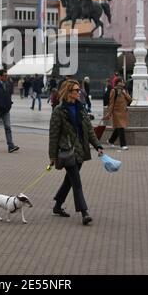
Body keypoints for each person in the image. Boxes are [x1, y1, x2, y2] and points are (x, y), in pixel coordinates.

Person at [49, 79, 104, 225]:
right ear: (68, 92)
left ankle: (57, 205)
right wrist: (52, 156)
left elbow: (89, 130)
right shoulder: (59, 111)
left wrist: (98, 145)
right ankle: (84, 212)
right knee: (76, 182)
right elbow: (53, 135)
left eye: (79, 90)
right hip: (68, 150)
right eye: (76, 90)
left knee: (70, 180)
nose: (79, 93)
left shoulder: (81, 108)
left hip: (81, 150)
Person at [104, 77, 132, 150]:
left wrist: (124, 93)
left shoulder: (124, 90)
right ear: (118, 83)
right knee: (121, 127)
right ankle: (123, 145)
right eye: (121, 82)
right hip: (116, 112)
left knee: (118, 128)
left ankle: (110, 140)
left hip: (123, 112)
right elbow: (111, 103)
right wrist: (109, 113)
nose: (123, 83)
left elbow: (130, 100)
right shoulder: (113, 91)